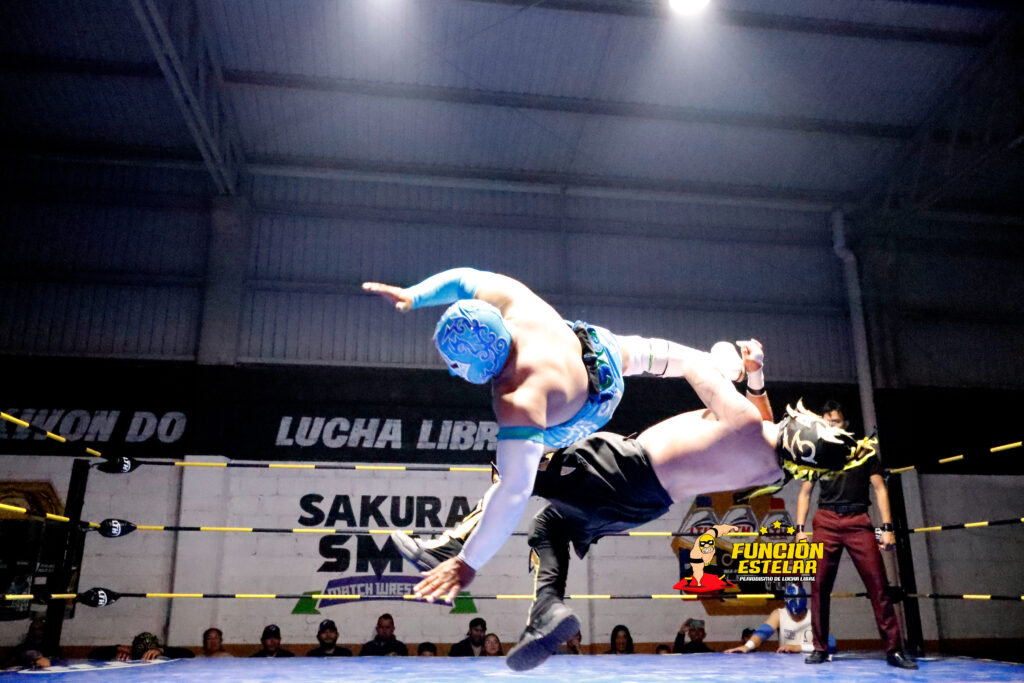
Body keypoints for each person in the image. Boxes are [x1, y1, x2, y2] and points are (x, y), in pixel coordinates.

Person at [395, 341, 879, 671]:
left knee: (521, 462)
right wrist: (754, 373)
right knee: (550, 526)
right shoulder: (772, 469)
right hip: (643, 505)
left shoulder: (744, 420)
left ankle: (450, 547)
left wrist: (722, 363)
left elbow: (691, 367)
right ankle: (546, 610)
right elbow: (762, 423)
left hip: (624, 465)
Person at [365, 268, 746, 604]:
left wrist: (470, 563)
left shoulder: (519, 396)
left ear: (477, 364)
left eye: (454, 365)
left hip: (584, 410)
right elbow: (465, 278)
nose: (452, 373)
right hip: (597, 350)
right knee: (646, 353)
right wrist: (414, 295)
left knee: (513, 473)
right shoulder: (515, 305)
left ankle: (453, 547)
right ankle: (714, 364)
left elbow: (514, 491)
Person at [796, 401, 917, 670]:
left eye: (836, 421)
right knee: (819, 586)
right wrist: (800, 531)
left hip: (859, 521)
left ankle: (894, 650)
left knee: (878, 584)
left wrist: (886, 529)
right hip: (826, 521)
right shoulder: (815, 452)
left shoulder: (864, 450)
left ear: (846, 424)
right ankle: (819, 648)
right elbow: (804, 493)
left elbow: (880, 489)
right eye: (827, 422)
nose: (832, 426)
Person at [725, 583, 822, 654]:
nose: (797, 616)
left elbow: (827, 644)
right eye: (794, 614)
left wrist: (798, 648)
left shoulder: (815, 616)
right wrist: (747, 646)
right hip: (787, 664)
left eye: (800, 613)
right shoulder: (779, 614)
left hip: (812, 661)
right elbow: (763, 632)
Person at [87, 632, 194, 661]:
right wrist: (116, 649)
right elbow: (92, 655)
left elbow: (190, 654)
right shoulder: (125, 657)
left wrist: (162, 651)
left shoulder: (161, 659)